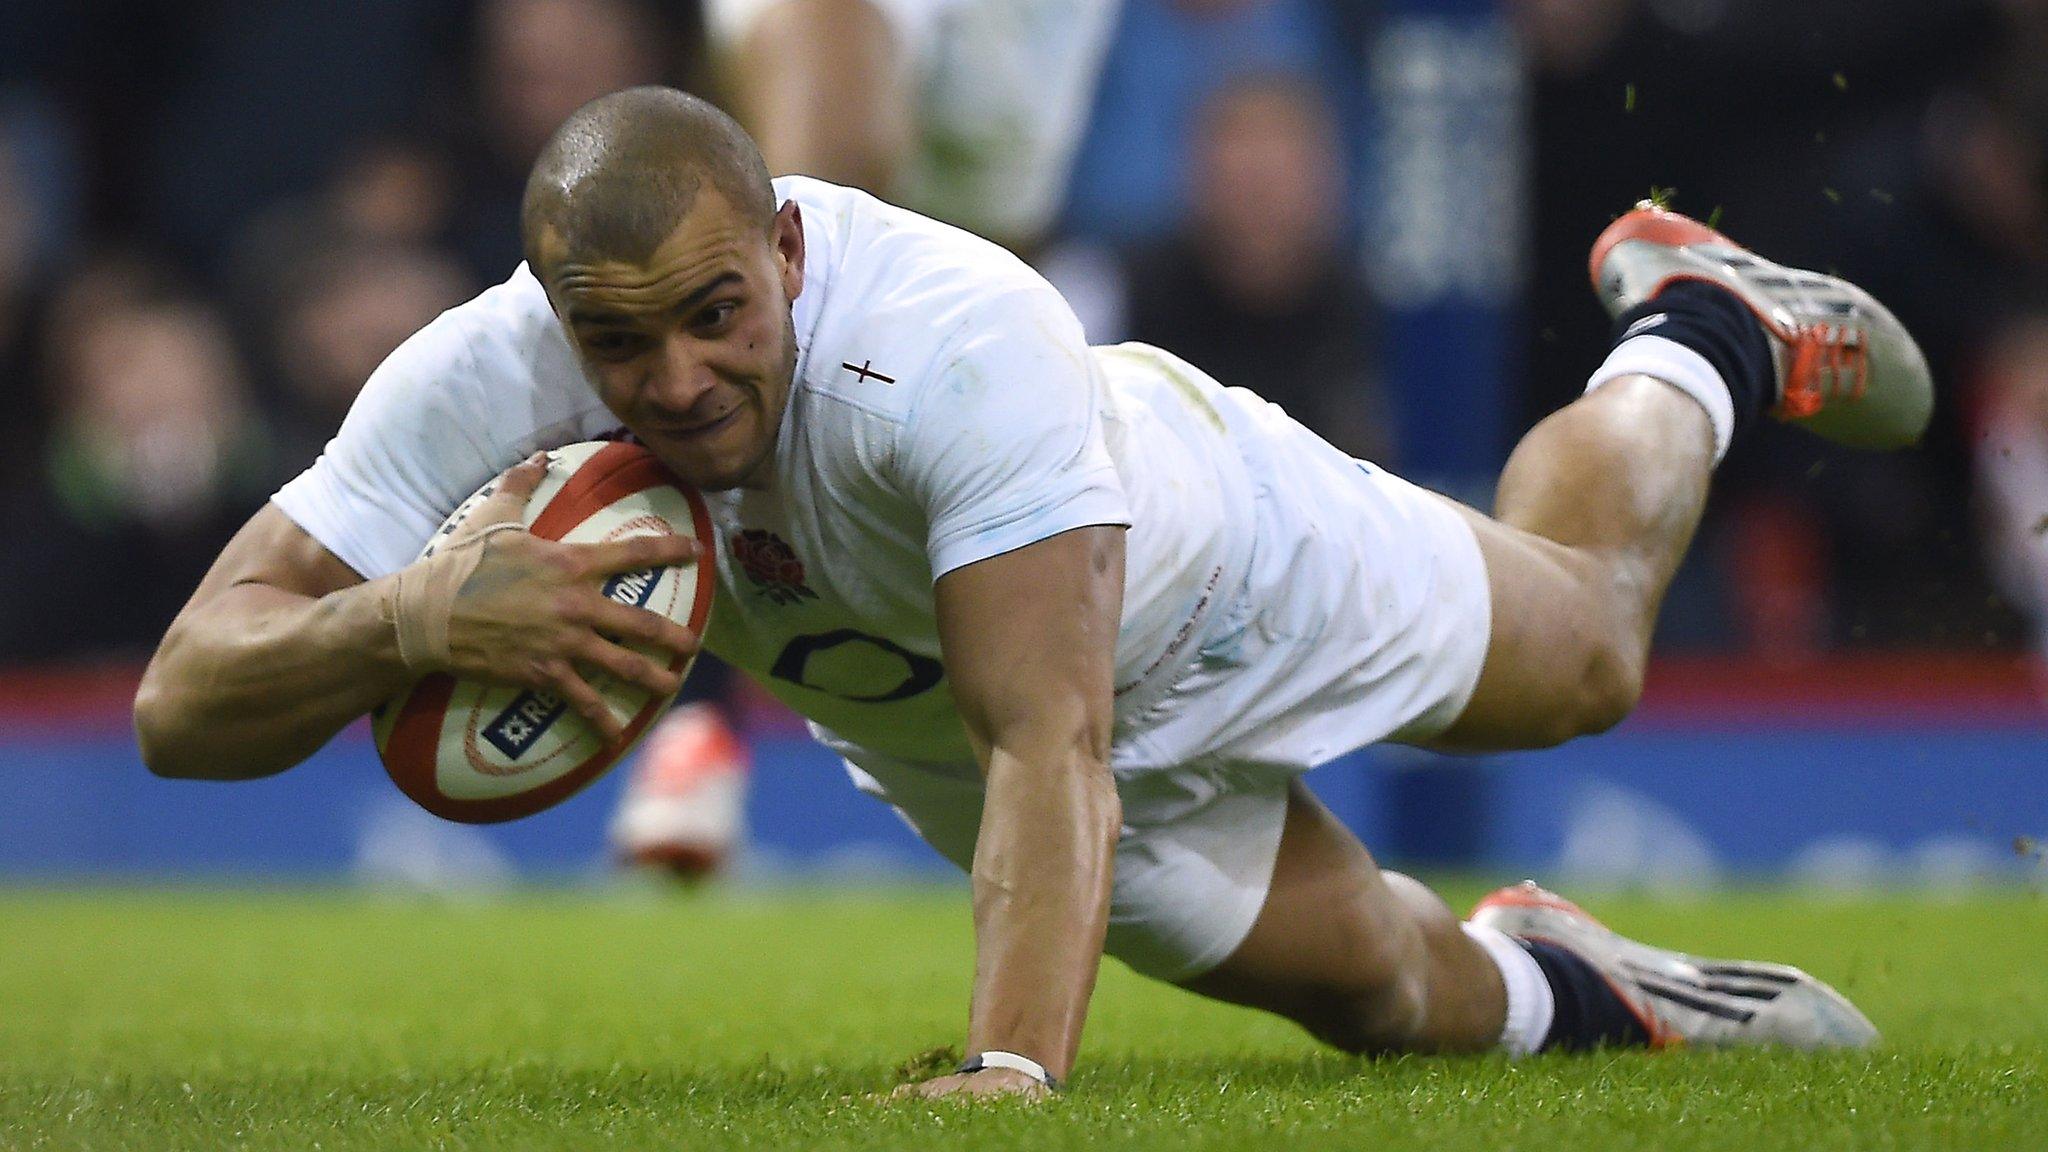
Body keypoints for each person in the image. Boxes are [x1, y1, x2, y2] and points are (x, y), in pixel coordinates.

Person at [136, 88, 1920, 1097]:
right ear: (550, 316)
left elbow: (1050, 733)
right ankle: (1578, 985)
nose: (673, 380)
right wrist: (410, 618)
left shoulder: (952, 340)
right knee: (1388, 1000)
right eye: (618, 344)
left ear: (786, 250)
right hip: (932, 729)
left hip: (1196, 559)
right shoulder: (481, 374)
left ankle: (1697, 329)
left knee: (1593, 650)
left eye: (716, 316)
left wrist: (1008, 1076)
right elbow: (180, 705)